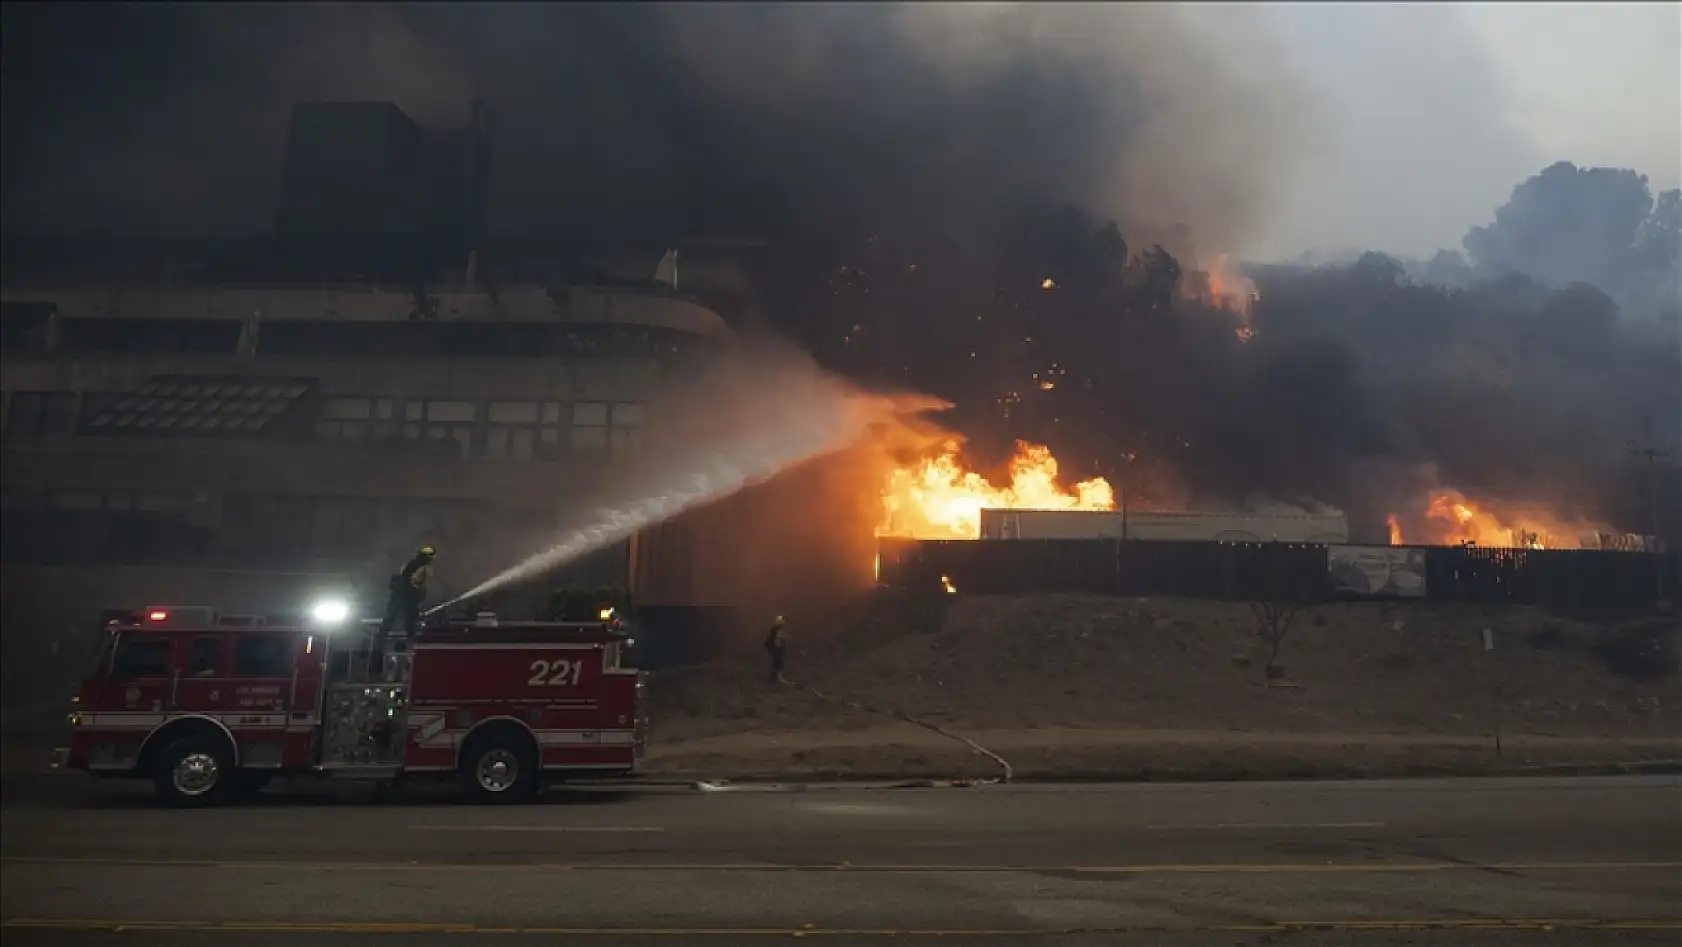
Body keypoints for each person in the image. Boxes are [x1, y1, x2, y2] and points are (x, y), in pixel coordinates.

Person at [379, 544, 436, 640]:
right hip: (408, 595)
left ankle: (382, 635)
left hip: (401, 595)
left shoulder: (412, 565)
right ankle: (410, 637)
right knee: (409, 618)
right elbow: (417, 584)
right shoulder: (422, 568)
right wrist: (419, 596)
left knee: (392, 617)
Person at [764, 615, 788, 684]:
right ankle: (778, 677)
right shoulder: (779, 629)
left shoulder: (774, 628)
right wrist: (780, 646)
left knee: (776, 661)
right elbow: (777, 640)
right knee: (779, 660)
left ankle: (774, 676)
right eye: (784, 621)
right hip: (775, 647)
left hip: (772, 647)